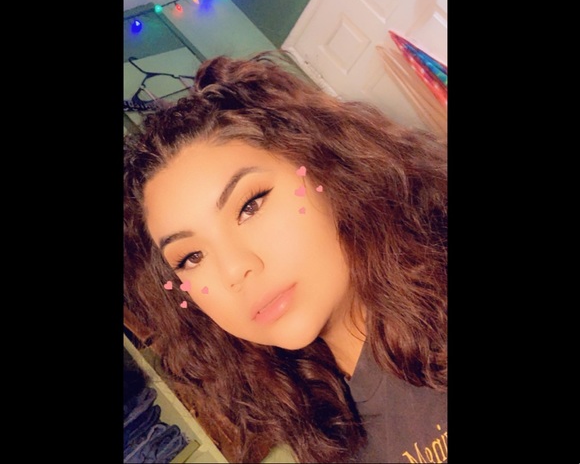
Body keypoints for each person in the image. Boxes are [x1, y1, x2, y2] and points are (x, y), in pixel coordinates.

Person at [123, 52, 448, 464]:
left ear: (331, 171)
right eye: (190, 257)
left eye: (250, 205)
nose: (233, 269)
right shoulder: (315, 417)